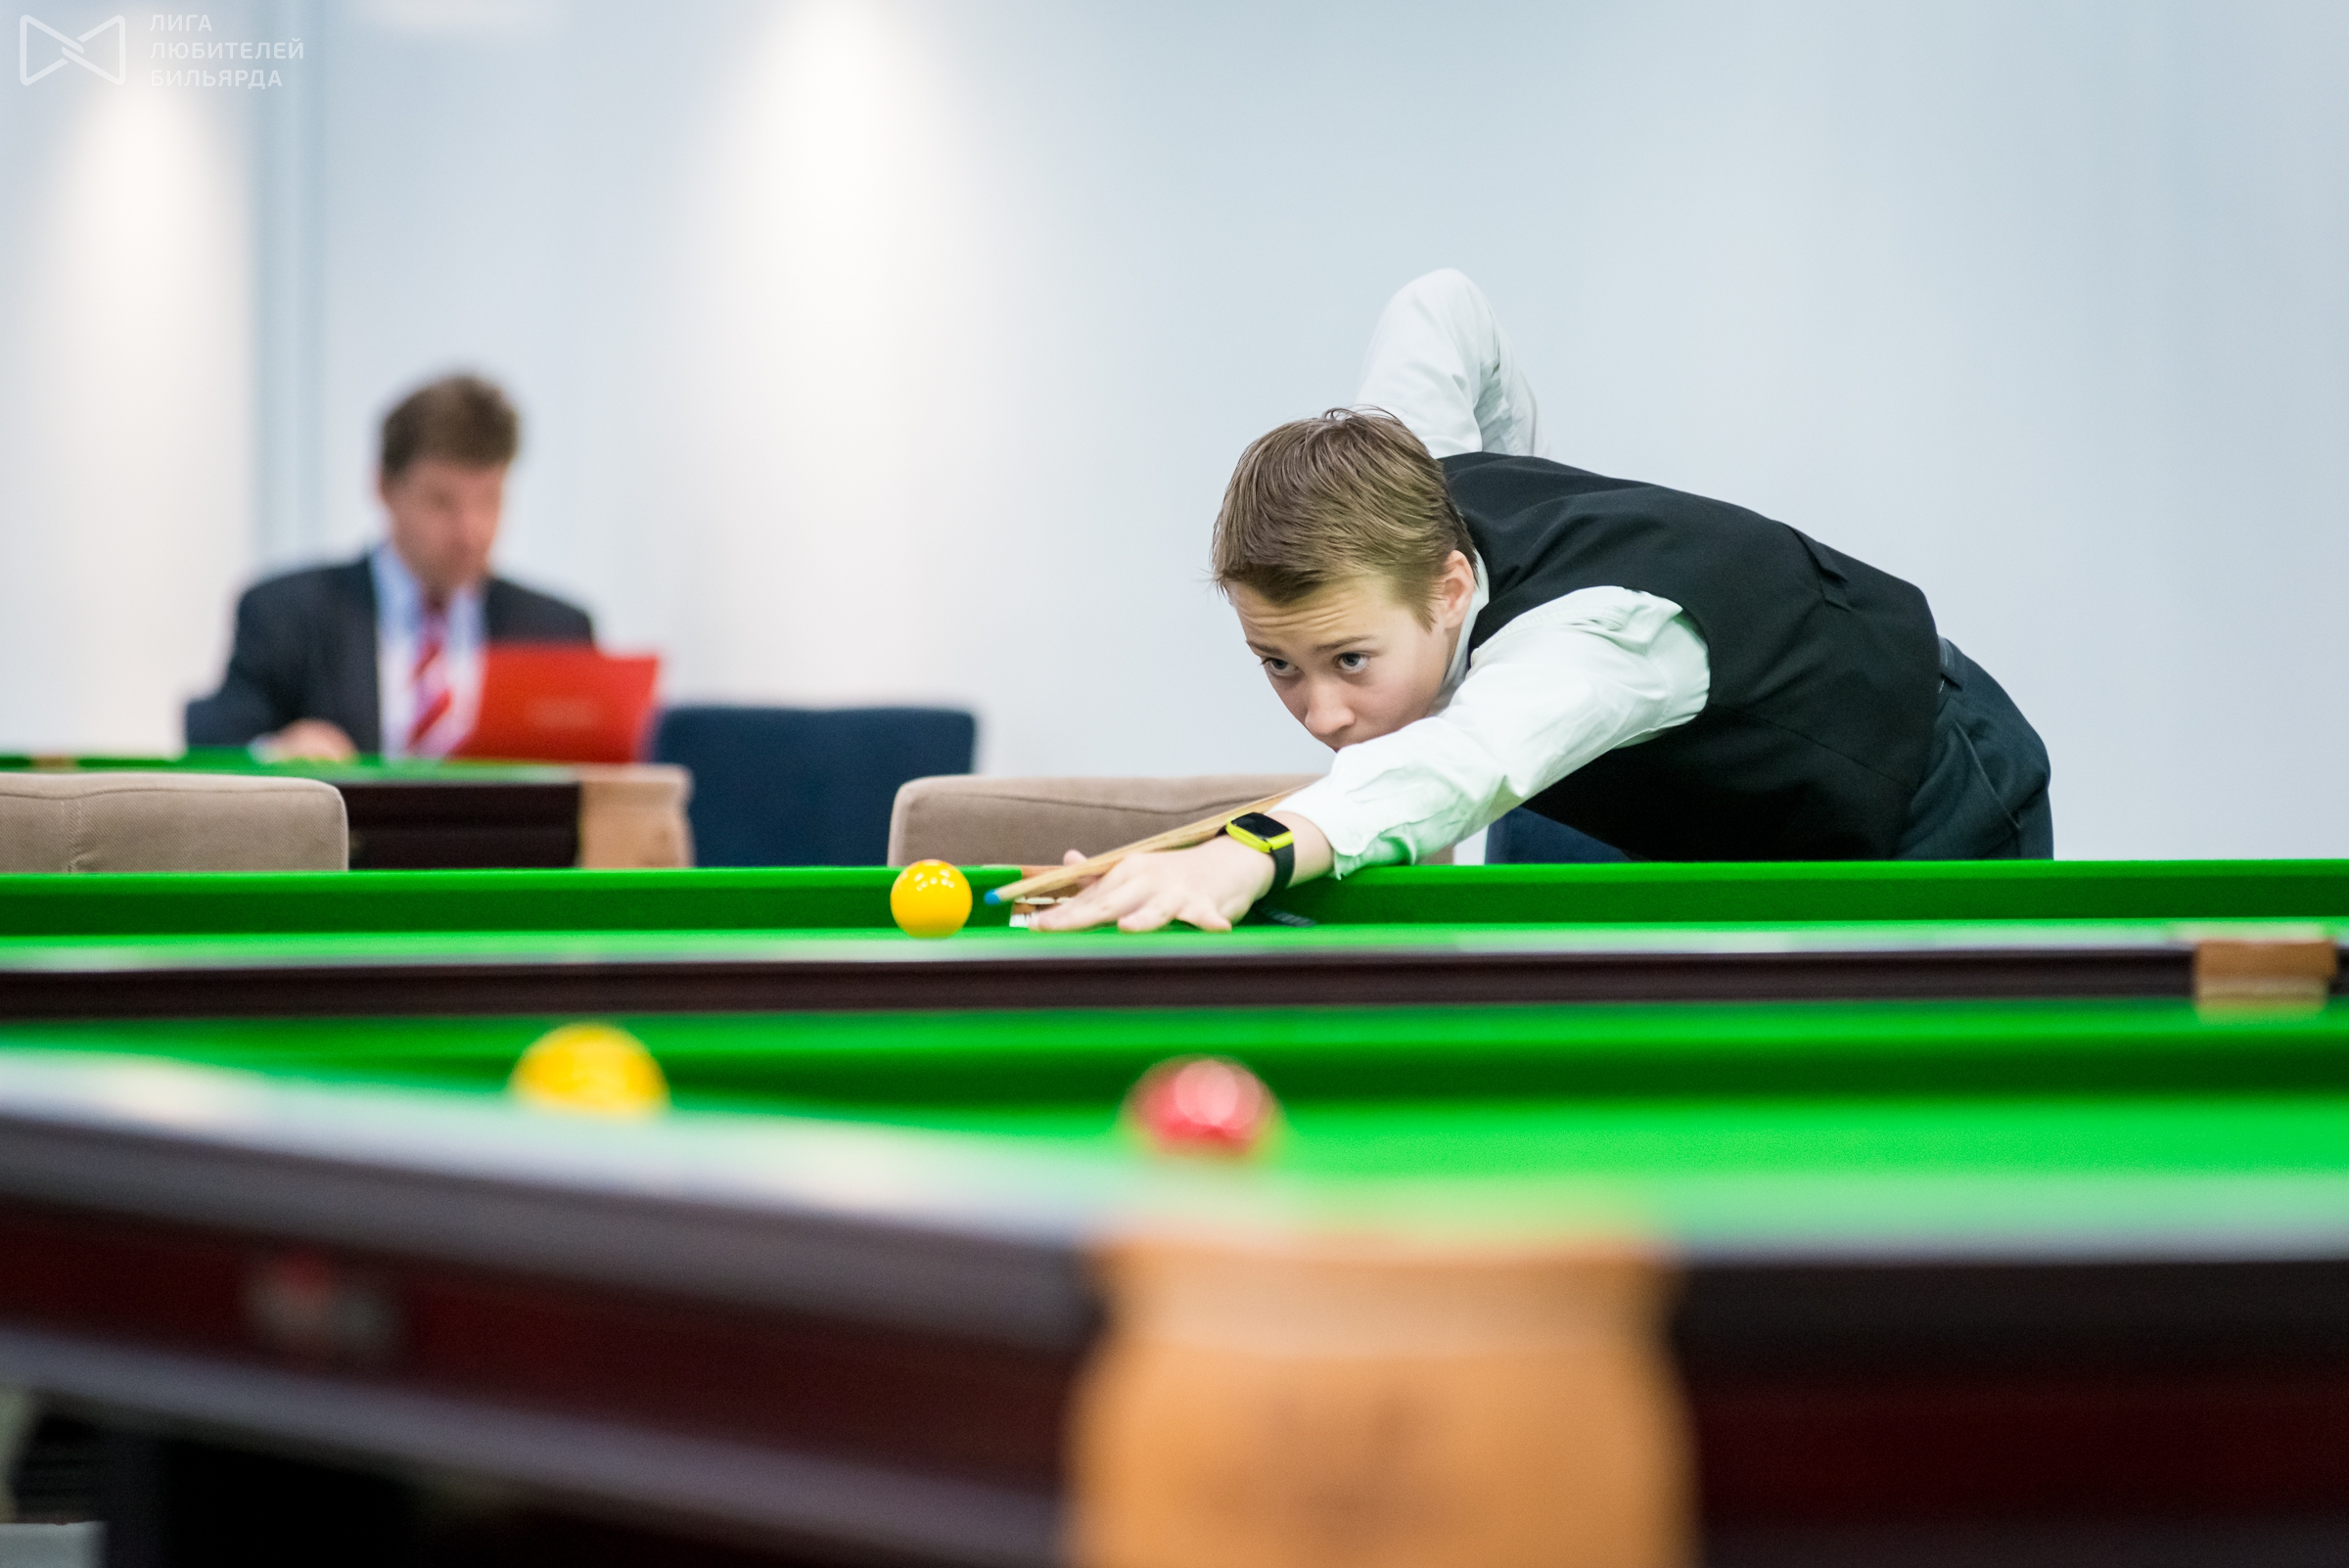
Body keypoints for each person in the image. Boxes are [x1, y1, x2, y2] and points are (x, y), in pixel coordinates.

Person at [1037, 269, 2051, 934]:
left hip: (1930, 774)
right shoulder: (1404, 481)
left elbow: (1458, 762)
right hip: (1731, 804)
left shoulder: (1592, 642)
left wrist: (1244, 856)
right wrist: (1518, 475)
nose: (1322, 713)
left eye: (1349, 661)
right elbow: (1440, 306)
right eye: (1278, 665)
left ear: (1450, 587)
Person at [185, 375, 593, 761]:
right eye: (442, 502)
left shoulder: (556, 631)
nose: (470, 531)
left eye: (489, 500)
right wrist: (275, 752)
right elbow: (217, 735)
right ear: (384, 487)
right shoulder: (288, 613)